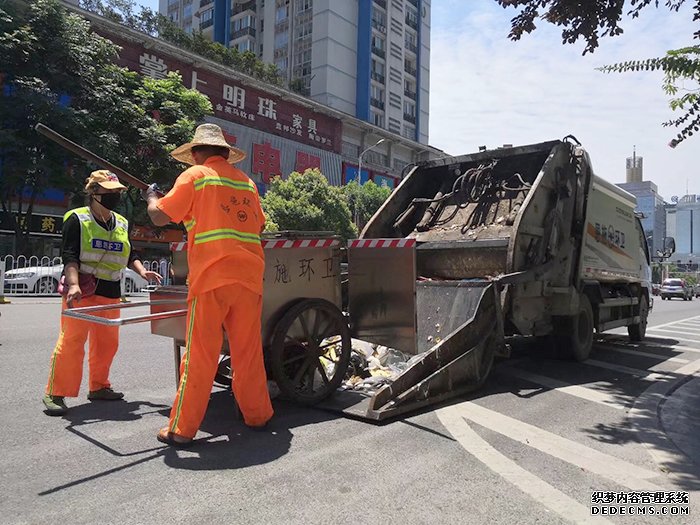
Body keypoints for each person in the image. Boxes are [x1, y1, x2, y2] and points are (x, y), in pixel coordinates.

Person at [145, 123, 273, 447]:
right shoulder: (247, 184)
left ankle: (181, 429)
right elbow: (256, 225)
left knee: (201, 355)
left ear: (198, 153)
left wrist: (151, 197)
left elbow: (160, 217)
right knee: (247, 352)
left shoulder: (195, 177)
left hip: (212, 279)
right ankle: (257, 415)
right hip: (248, 278)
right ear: (225, 153)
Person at [43, 171, 162, 416]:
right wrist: (73, 284)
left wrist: (142, 271)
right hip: (82, 290)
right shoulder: (77, 218)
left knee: (107, 343)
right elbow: (70, 255)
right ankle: (56, 392)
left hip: (111, 290)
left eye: (117, 192)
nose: (114, 196)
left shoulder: (121, 222)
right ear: (94, 193)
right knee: (72, 342)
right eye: (109, 192)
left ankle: (99, 387)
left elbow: (130, 254)